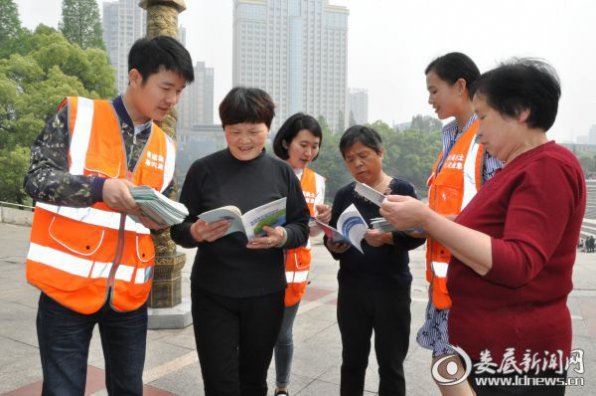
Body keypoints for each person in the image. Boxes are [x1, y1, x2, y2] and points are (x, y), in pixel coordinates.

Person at [380, 59, 585, 395]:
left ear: (519, 111)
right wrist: (422, 219)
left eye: (484, 117)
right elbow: (485, 234)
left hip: (517, 356)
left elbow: (518, 262)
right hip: (494, 347)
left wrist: (427, 218)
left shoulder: (547, 167)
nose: (479, 132)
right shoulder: (517, 167)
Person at [23, 36, 194, 395]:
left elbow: (165, 206)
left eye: (179, 91)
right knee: (62, 390)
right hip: (67, 287)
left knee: (129, 389)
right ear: (135, 77)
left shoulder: (166, 145)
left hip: (129, 296)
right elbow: (36, 179)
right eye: (166, 87)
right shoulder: (77, 114)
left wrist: (159, 220)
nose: (172, 100)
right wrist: (99, 189)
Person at [170, 87, 310, 396]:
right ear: (224, 130)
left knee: (253, 381)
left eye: (253, 131)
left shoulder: (282, 173)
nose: (244, 139)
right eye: (235, 131)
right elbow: (178, 226)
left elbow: (301, 224)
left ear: (268, 129)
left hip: (265, 293)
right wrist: (195, 232)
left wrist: (282, 236)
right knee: (219, 383)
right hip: (213, 293)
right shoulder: (203, 170)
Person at [416, 52, 501, 396]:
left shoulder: (489, 140)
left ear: (461, 86)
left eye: (435, 90)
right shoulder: (451, 141)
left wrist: (425, 220)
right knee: (445, 368)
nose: (430, 100)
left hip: (471, 288)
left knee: (458, 372)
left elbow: (497, 215)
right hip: (445, 287)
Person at [324, 125, 425, 396]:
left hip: (391, 290)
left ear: (380, 153)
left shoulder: (401, 190)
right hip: (352, 290)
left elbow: (419, 233)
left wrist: (389, 239)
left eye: (363, 155)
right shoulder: (346, 194)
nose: (357, 163)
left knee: (391, 365)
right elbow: (334, 236)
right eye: (350, 159)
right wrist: (335, 243)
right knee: (352, 362)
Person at [270, 113, 331, 396]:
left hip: (295, 270)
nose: (309, 152)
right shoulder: (266, 171)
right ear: (286, 142)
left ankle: (282, 386)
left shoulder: (317, 182)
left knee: (283, 333)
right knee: (256, 334)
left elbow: (313, 234)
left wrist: (323, 223)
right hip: (262, 267)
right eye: (303, 145)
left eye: (314, 146)